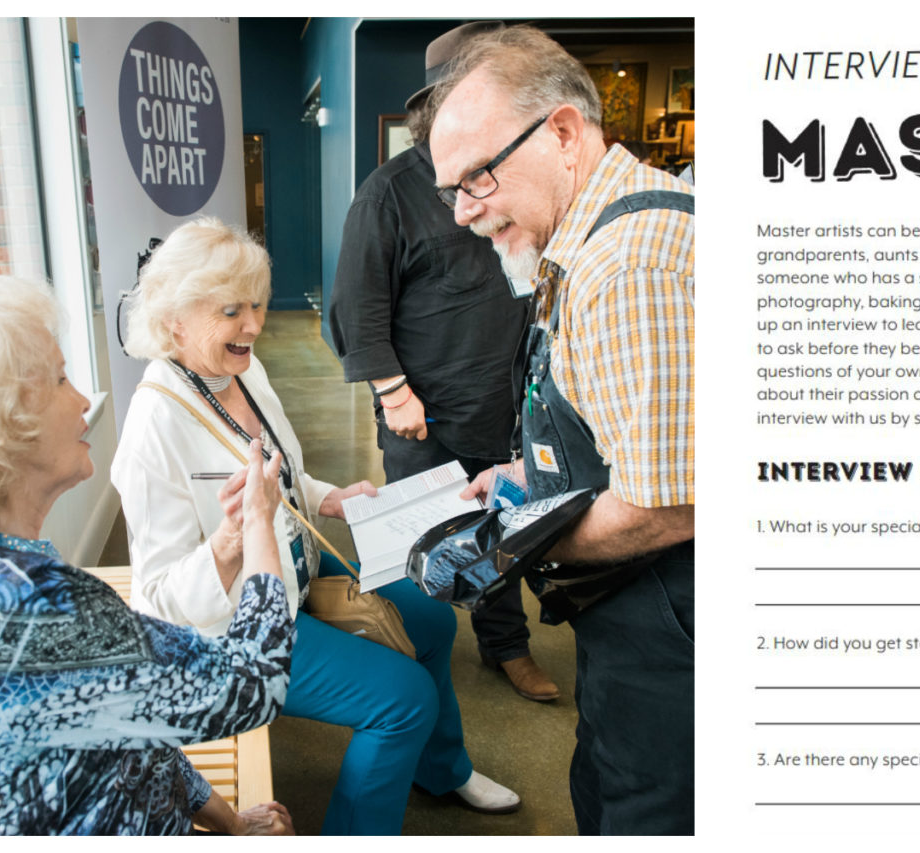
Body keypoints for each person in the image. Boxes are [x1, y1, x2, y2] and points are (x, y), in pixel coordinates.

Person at [113, 218, 519, 835]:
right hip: (230, 633)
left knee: (434, 623)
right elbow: (160, 602)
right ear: (175, 321)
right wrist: (230, 542)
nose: (254, 325)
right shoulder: (153, 426)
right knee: (403, 699)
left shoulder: (241, 371)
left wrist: (329, 499)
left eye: (257, 304)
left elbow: (280, 474)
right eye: (231, 311)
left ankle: (441, 769)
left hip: (292, 565)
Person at [0, 274, 295, 836]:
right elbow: (254, 685)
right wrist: (261, 523)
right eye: (60, 379)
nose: (81, 401)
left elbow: (124, 719)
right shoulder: (35, 607)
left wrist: (230, 823)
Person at [425, 25, 695, 834]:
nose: (465, 213)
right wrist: (526, 478)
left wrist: (518, 539)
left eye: (478, 177)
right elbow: (624, 430)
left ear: (565, 133)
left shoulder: (629, 266)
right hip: (626, 623)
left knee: (645, 809)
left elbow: (668, 505)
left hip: (675, 632)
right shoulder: (584, 239)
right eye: (452, 190)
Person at [326, 20, 552, 703]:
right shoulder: (388, 193)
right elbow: (355, 309)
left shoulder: (510, 181)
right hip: (422, 411)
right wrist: (395, 395)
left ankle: (505, 644)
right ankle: (415, 648)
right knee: (422, 538)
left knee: (499, 527)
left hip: (503, 403)